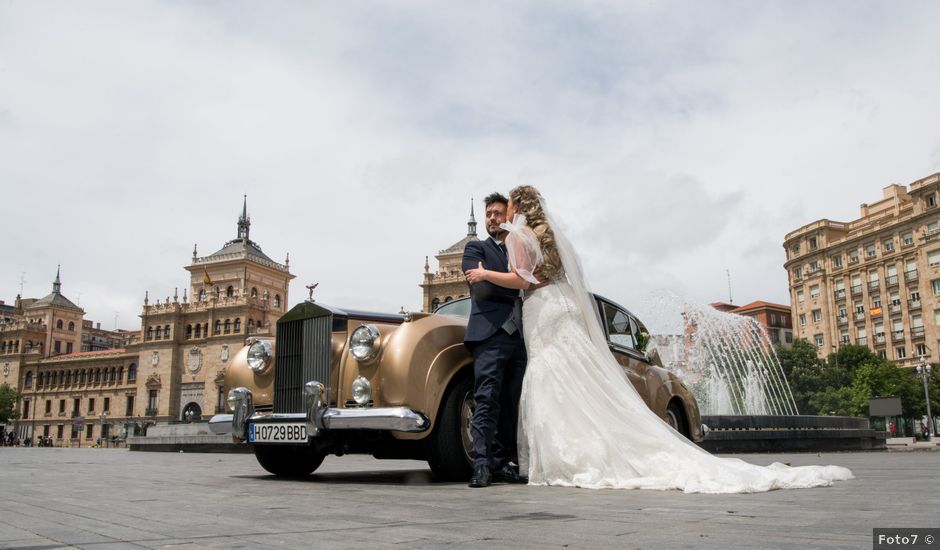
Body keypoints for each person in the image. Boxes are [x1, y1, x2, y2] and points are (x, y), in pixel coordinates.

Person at [465, 185, 854, 492]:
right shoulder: (546, 236)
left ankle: (558, 458)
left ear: (518, 208)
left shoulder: (520, 235)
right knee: (576, 381)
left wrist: (485, 276)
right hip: (559, 306)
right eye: (495, 211)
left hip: (541, 310)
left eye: (507, 207)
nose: (503, 214)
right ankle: (569, 453)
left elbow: (523, 280)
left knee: (554, 381)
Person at [461, 192, 528, 488]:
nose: (492, 218)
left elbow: (498, 283)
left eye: (498, 213)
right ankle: (482, 464)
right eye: (489, 214)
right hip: (489, 334)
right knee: (486, 398)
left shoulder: (519, 247)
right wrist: (512, 283)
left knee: (511, 402)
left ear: (508, 216)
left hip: (519, 339)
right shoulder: (475, 248)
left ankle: (502, 463)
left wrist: (491, 277)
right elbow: (482, 291)